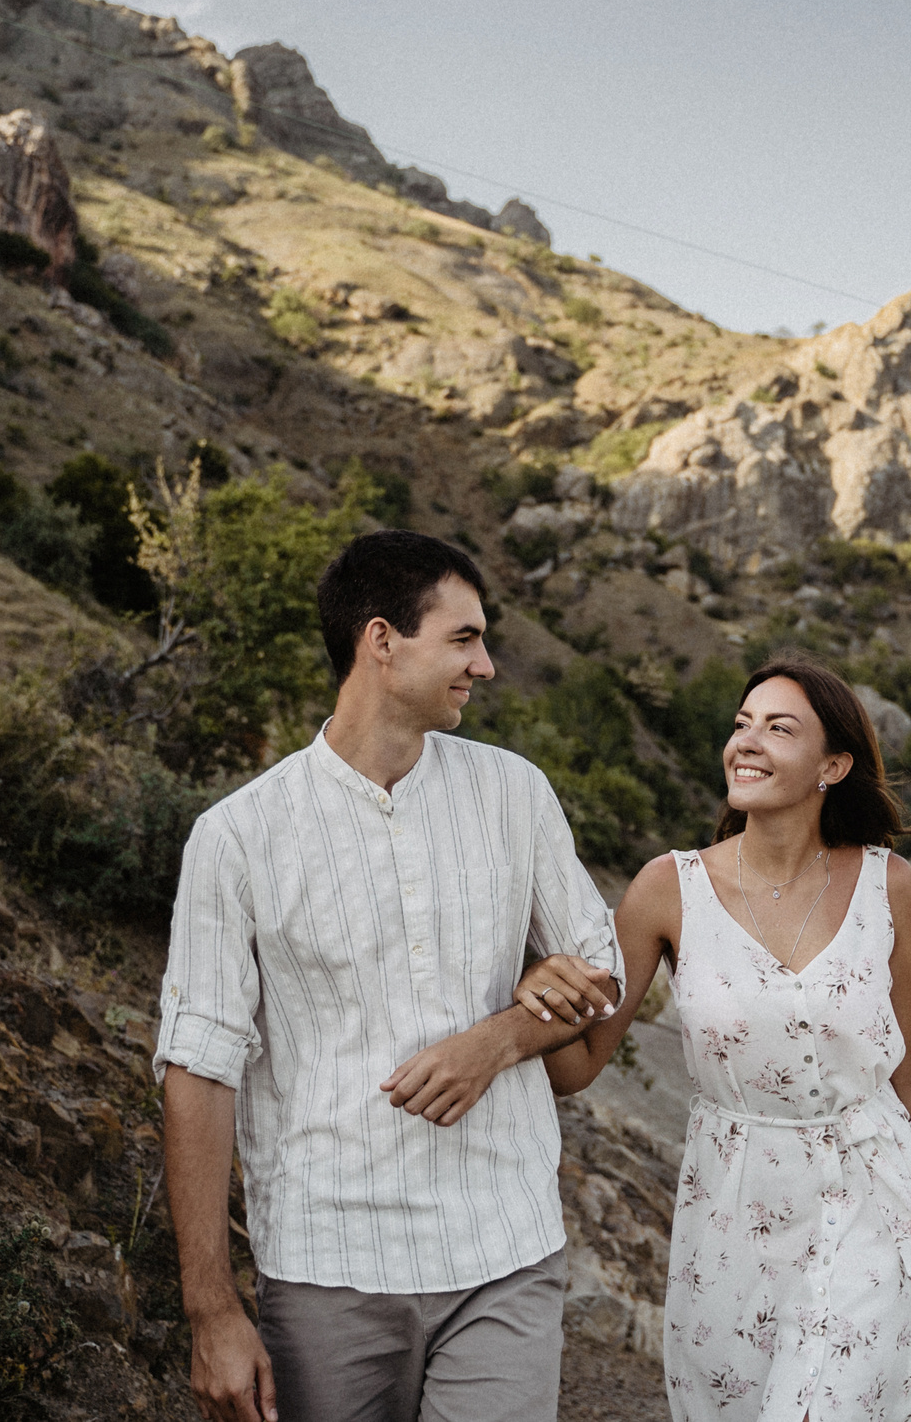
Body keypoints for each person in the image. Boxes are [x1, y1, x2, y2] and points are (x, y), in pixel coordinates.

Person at [154, 529, 624, 1422]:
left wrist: (500, 1039)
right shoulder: (239, 835)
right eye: (464, 638)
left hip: (505, 1246)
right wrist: (211, 1309)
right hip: (330, 1262)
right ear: (381, 640)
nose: (485, 665)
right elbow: (199, 1068)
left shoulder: (514, 791)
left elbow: (604, 968)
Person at [527, 651, 911, 1422]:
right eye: (741, 725)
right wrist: (537, 993)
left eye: (778, 728)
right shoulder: (669, 887)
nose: (747, 742)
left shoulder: (886, 882)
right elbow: (580, 1065)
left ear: (833, 764)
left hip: (874, 1195)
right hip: (730, 1211)